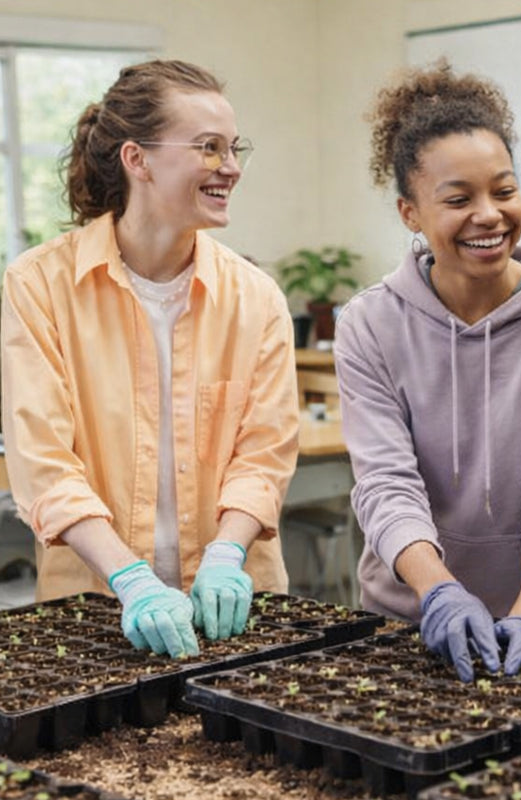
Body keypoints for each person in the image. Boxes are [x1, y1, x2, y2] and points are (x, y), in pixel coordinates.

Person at [333, 61, 521, 682]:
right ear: (410, 212)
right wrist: (438, 592)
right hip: (409, 617)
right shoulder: (369, 325)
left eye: (505, 190)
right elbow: (386, 484)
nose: (489, 215)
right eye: (458, 199)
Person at [1, 60, 299, 658]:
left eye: (234, 147)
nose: (231, 167)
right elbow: (44, 465)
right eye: (208, 148)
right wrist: (131, 579)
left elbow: (263, 455)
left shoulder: (255, 296)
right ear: (137, 160)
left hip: (235, 615)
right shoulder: (38, 287)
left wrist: (224, 552)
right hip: (92, 614)